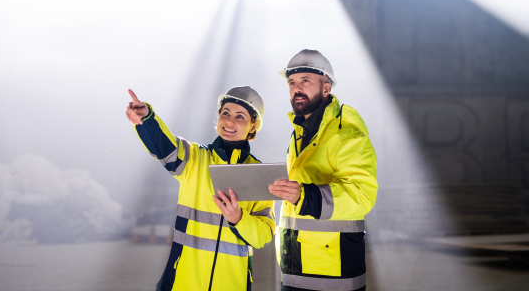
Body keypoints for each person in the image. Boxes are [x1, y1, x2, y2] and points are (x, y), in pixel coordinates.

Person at [125, 86, 275, 291]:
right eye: (225, 113)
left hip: (233, 284)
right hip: (184, 281)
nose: (230, 121)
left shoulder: (259, 175)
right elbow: (164, 146)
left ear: (253, 126)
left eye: (240, 116)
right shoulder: (194, 158)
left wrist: (239, 219)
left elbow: (264, 236)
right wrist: (147, 118)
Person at [268, 49, 378, 291]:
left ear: (326, 88)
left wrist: (304, 196)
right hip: (294, 267)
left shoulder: (348, 134)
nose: (296, 88)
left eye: (305, 81)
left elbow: (362, 195)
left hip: (333, 274)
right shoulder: (300, 132)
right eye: (292, 82)